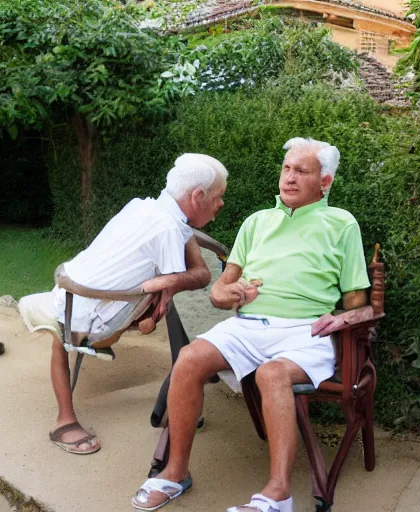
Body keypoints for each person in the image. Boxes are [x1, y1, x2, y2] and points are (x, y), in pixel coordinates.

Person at [132, 137, 371, 512]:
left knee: (272, 374)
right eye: (286, 169)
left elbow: (360, 303)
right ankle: (174, 472)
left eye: (301, 171)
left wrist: (341, 317)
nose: (289, 178)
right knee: (190, 358)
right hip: (249, 325)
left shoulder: (341, 225)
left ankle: (278, 494)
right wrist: (229, 294)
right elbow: (219, 290)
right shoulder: (257, 222)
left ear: (325, 183)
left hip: (306, 331)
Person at [18, 153, 228, 455]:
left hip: (68, 295)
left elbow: (185, 270)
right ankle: (67, 420)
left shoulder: (142, 206)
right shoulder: (168, 229)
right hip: (92, 321)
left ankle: (175, 396)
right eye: (218, 197)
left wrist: (166, 282)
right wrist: (165, 286)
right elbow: (197, 277)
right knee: (174, 305)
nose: (221, 204)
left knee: (164, 298)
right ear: (197, 196)